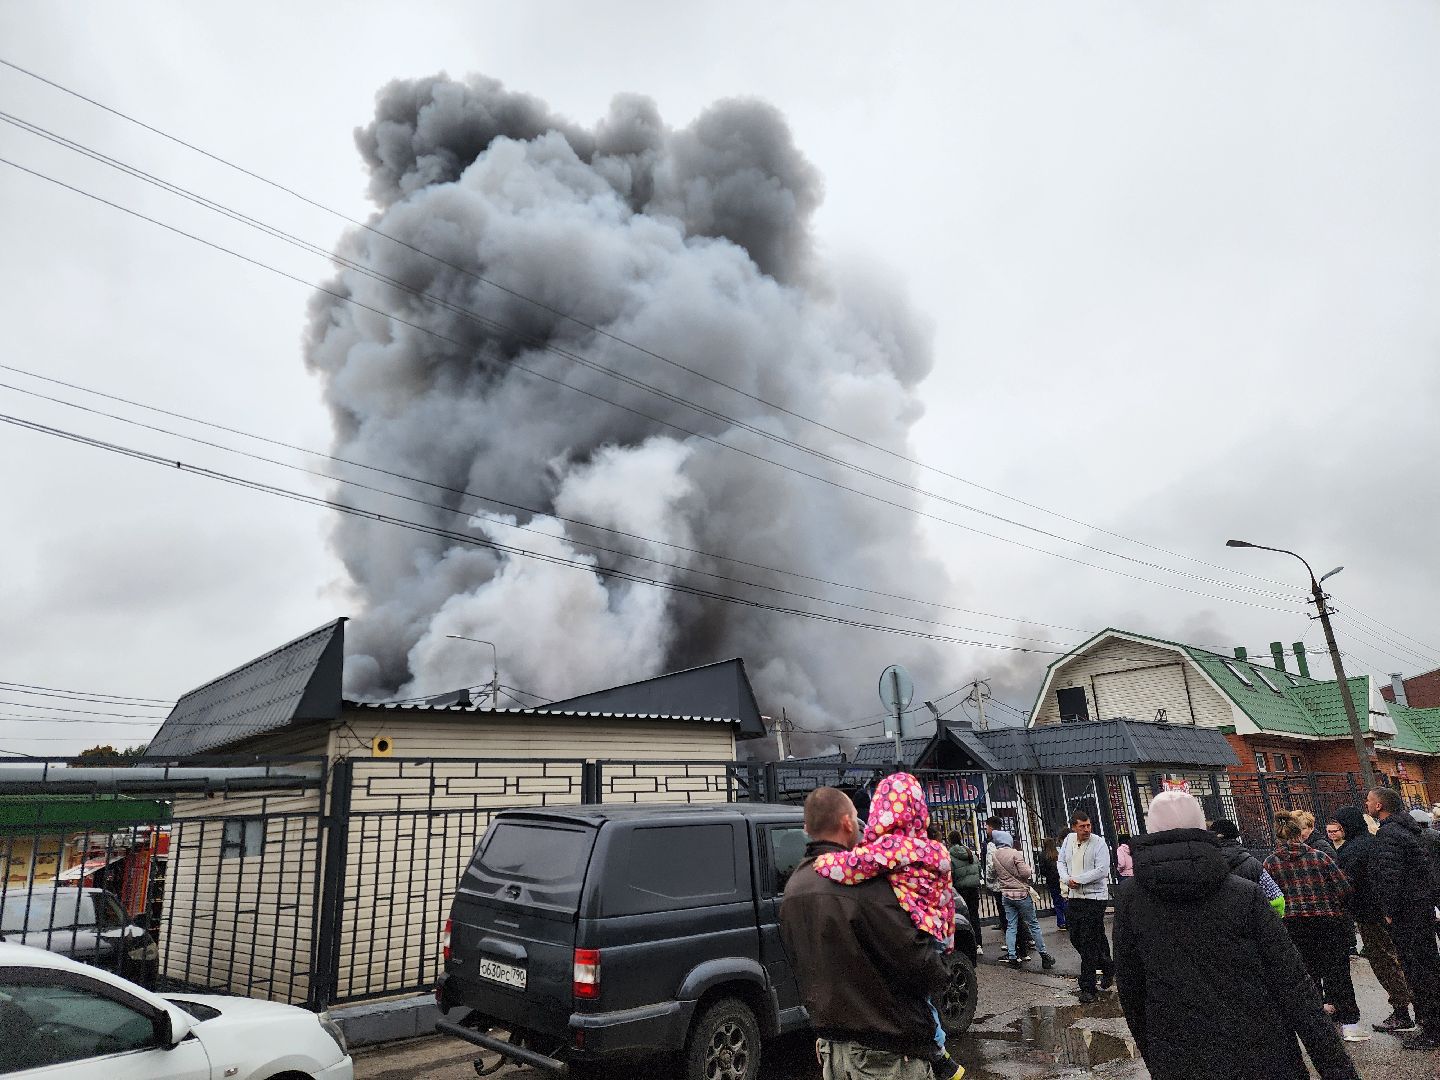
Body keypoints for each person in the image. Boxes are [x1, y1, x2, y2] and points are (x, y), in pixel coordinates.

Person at [1113, 789, 1360, 1080]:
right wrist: (1336, 1069)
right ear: (1203, 828)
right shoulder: (1244, 893)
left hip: (1180, 1050)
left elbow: (1131, 988)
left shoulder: (1130, 899)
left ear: (1150, 831)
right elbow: (1293, 982)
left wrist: (1156, 1056)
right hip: (1260, 1047)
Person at [780, 786, 952, 1080]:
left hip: (831, 1049)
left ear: (807, 828)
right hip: (887, 1054)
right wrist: (942, 957)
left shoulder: (795, 886)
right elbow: (921, 965)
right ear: (849, 822)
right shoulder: (869, 886)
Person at [1264, 811, 1365, 1041]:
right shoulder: (1319, 857)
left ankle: (1317, 1025)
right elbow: (1344, 887)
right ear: (1300, 834)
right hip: (1326, 921)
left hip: (1292, 924)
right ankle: (1350, 1024)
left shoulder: (1270, 863)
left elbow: (1267, 896)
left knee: (1307, 976)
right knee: (1337, 973)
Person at [1367, 785, 1440, 1050]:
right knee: (1428, 966)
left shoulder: (1389, 835)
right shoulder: (1411, 831)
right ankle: (1432, 1023)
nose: (1367, 804)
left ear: (1379, 806)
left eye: (1369, 801)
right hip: (1420, 908)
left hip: (1407, 913)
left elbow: (1389, 876)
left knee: (1418, 969)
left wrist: (1388, 910)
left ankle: (1431, 1029)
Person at [1330, 806, 1415, 1033]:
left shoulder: (1353, 849)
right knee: (1395, 957)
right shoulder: (1371, 841)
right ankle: (1413, 1007)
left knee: (1384, 961)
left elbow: (1347, 883)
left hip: (1368, 913)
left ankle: (1402, 1010)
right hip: (1380, 910)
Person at [1058, 811, 1112, 1003]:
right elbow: (1061, 862)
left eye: (1088, 825)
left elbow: (1101, 870)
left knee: (1089, 939)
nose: (1086, 829)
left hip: (1094, 898)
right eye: (1082, 826)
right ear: (1074, 827)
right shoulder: (1069, 840)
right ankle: (1107, 964)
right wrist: (1066, 879)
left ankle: (1088, 986)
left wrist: (1078, 880)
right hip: (1074, 896)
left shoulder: (1099, 843)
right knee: (1076, 936)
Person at [987, 829, 1057, 970]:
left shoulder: (995, 855)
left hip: (1006, 895)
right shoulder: (1015, 853)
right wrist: (1029, 871)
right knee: (1033, 924)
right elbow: (1025, 872)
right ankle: (1044, 955)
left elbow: (992, 873)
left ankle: (1012, 956)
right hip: (1021, 894)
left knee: (1011, 926)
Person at [1208, 818, 1286, 916]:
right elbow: (1277, 899)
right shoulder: (1252, 863)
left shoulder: (1206, 865)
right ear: (1235, 837)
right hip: (1251, 922)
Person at [982, 815, 1032, 960]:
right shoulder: (1007, 842)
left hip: (1001, 887)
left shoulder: (993, 845)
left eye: (987, 827)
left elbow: (991, 868)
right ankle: (1022, 949)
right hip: (1014, 886)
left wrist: (989, 882)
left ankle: (1013, 951)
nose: (986, 830)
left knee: (1008, 920)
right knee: (1017, 918)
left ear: (991, 828)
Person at [949, 830, 984, 956]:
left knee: (962, 917)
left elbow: (951, 873)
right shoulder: (970, 853)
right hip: (974, 888)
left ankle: (967, 944)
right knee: (974, 915)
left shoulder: (950, 855)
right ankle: (978, 943)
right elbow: (979, 869)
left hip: (960, 889)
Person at [1037, 835, 1067, 930]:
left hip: (1051, 880)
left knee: (1057, 901)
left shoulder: (1042, 855)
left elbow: (1042, 869)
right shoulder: (1058, 853)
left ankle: (1061, 922)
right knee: (1064, 899)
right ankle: (1068, 920)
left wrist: (1048, 875)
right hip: (1061, 879)